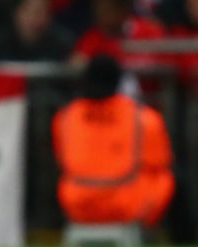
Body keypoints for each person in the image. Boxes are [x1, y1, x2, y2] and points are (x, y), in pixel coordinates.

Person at [52, 55, 175, 227]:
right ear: (119, 81)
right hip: (130, 206)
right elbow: (160, 162)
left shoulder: (65, 118)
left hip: (78, 205)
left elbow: (61, 162)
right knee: (166, 176)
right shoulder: (145, 118)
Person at [0, 0, 74, 62]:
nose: (34, 18)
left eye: (42, 11)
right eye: (29, 10)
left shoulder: (63, 44)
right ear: (16, 13)